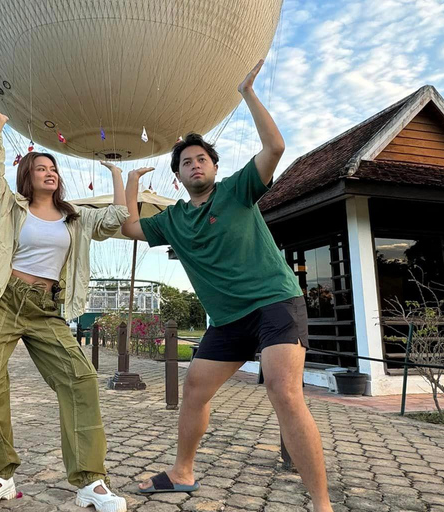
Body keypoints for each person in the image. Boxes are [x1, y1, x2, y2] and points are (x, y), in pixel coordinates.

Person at [121, 60, 334, 512]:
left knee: (283, 388)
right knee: (195, 388)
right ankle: (182, 472)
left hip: (275, 303)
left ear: (214, 167)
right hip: (229, 320)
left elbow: (275, 146)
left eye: (201, 159)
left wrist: (247, 93)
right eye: (185, 162)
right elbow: (131, 228)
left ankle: (321, 504)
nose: (194, 165)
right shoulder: (174, 220)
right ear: (178, 176)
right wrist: (131, 181)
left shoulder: (237, 190)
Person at [0, 103, 142, 512]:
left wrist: (120, 175)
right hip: (4, 300)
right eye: (41, 167)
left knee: (80, 379)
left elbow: (117, 217)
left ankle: (91, 481)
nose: (50, 172)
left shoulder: (75, 217)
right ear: (26, 176)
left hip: (47, 307)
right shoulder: (9, 206)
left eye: (53, 168)